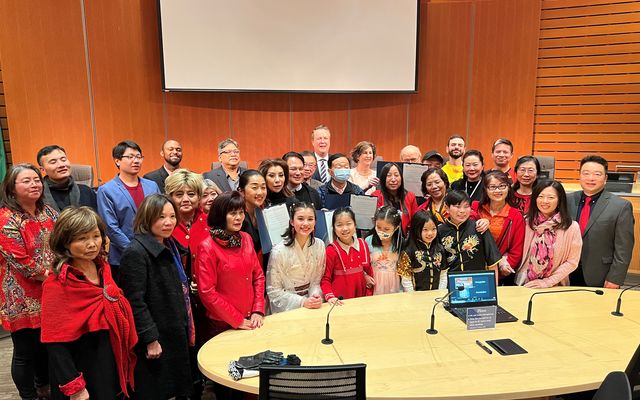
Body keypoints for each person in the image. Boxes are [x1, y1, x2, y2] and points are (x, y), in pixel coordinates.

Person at [42, 207, 137, 400]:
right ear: (65, 243)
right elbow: (55, 344)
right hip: (83, 367)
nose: (92, 244)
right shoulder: (57, 284)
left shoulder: (104, 270)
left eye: (96, 236)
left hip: (109, 361)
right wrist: (75, 387)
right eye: (82, 238)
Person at [119, 194, 193, 399]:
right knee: (158, 389)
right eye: (161, 217)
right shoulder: (135, 252)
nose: (168, 222)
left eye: (172, 216)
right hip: (157, 333)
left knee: (176, 386)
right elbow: (135, 302)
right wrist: (150, 339)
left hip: (173, 327)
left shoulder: (169, 244)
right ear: (147, 218)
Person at [0, 164, 56, 400]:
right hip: (21, 295)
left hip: (52, 290)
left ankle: (44, 386)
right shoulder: (5, 218)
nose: (35, 184)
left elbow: (64, 241)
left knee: (47, 345)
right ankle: (28, 395)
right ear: (12, 189)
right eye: (27, 181)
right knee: (25, 351)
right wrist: (54, 275)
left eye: (36, 180)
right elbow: (21, 261)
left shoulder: (49, 212)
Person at [195, 191, 265, 347]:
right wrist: (236, 319)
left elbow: (258, 276)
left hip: (251, 318)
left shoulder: (245, 238)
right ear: (221, 215)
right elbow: (207, 292)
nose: (239, 217)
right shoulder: (207, 247)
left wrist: (258, 309)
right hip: (222, 323)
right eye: (233, 213)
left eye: (241, 212)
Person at [567, 155, 634, 289]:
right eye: (586, 173)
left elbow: (624, 248)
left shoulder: (621, 206)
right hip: (565, 272)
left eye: (597, 174)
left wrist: (615, 278)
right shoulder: (567, 200)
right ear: (580, 176)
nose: (591, 178)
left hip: (599, 275)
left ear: (605, 178)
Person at [97, 141, 160, 271]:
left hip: (155, 252)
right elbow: (111, 228)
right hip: (124, 257)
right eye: (130, 157)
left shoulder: (152, 185)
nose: (136, 161)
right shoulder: (106, 190)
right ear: (117, 161)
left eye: (139, 157)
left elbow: (161, 217)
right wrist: (135, 251)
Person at [515, 180, 582, 288]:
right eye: (541, 196)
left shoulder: (572, 227)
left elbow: (572, 262)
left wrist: (547, 282)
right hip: (523, 284)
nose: (545, 201)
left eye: (551, 197)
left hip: (555, 285)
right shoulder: (525, 223)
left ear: (559, 200)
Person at [266, 202, 326, 313]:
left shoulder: (320, 245)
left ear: (315, 222)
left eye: (310, 219)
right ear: (292, 222)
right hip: (288, 307)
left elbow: (316, 281)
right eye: (300, 219)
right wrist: (302, 302)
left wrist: (315, 296)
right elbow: (274, 291)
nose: (305, 223)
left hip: (312, 304)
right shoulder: (279, 251)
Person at [472, 171, 525, 285]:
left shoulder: (516, 216)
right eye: (492, 187)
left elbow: (516, 249)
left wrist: (506, 267)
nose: (497, 191)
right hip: (472, 267)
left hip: (499, 271)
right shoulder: (475, 208)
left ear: (508, 188)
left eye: (502, 186)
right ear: (485, 189)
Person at [438, 190, 501, 272]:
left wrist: (494, 285)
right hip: (450, 281)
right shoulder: (439, 231)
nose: (462, 211)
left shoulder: (479, 227)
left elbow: (492, 261)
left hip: (477, 279)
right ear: (447, 208)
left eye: (466, 206)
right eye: (457, 206)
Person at [321, 208, 375, 304]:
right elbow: (325, 279)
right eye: (339, 225)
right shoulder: (331, 250)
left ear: (355, 225)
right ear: (333, 228)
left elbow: (368, 271)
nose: (345, 228)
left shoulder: (363, 244)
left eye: (348, 223)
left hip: (362, 300)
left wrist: (366, 280)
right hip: (340, 303)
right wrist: (330, 297)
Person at [164, 169, 208, 269]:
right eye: (179, 194)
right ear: (170, 197)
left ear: (199, 197)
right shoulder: (163, 224)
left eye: (191, 194)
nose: (185, 199)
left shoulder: (210, 222)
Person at [36, 145, 97, 212]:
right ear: (43, 170)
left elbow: (97, 219)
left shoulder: (86, 191)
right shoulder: (38, 195)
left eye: (63, 160)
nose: (61, 165)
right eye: (53, 162)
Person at [365, 206, 411, 294]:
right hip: (375, 285)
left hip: (395, 285)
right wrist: (365, 276)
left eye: (386, 229)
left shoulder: (401, 243)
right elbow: (362, 265)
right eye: (378, 227)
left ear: (396, 228)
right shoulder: (368, 241)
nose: (381, 232)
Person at [398, 210, 448, 291]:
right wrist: (413, 296)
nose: (430, 233)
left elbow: (443, 274)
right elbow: (406, 279)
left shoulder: (439, 249)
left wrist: (440, 292)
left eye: (433, 229)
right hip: (416, 297)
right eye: (425, 230)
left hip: (436, 296)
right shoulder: (408, 251)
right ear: (416, 229)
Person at [370, 162, 418, 234]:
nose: (393, 179)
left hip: (405, 239)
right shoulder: (376, 196)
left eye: (396, 175)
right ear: (383, 179)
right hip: (383, 237)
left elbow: (416, 220)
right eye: (389, 175)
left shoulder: (410, 196)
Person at [239, 170, 267, 266]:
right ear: (242, 191)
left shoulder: (265, 212)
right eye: (254, 188)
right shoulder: (237, 217)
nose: (260, 192)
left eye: (263, 187)